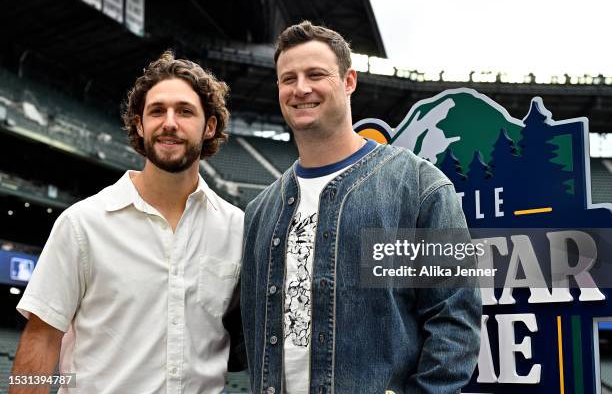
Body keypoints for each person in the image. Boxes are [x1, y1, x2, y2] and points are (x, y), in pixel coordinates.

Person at [241, 21, 481, 394]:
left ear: (349, 81)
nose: (301, 88)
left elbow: (455, 319)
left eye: (316, 74)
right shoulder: (259, 212)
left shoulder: (421, 188)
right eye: (288, 78)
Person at [10, 51, 244, 394]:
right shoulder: (82, 224)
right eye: (156, 111)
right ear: (139, 124)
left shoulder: (236, 229)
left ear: (209, 126)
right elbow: (41, 339)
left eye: (185, 111)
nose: (169, 123)